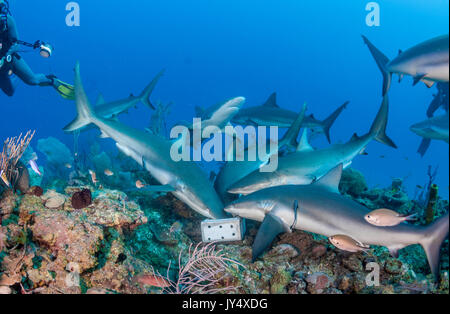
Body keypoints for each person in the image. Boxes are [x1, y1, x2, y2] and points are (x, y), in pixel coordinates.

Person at [0, 0, 74, 99]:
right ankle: (15, 75)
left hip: (10, 57)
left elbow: (16, 45)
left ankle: (52, 80)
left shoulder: (8, 21)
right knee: (10, 92)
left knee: (32, 80)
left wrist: (5, 57)